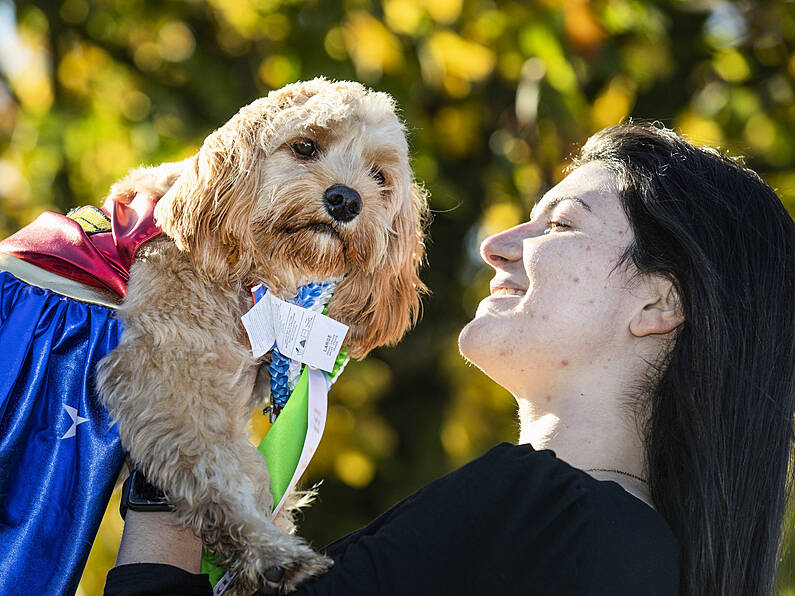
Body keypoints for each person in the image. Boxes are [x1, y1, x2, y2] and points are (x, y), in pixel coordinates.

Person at [104, 123, 795, 596]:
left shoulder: (541, 510)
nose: (497, 244)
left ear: (658, 306)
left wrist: (179, 432)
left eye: (558, 223)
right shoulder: (648, 557)